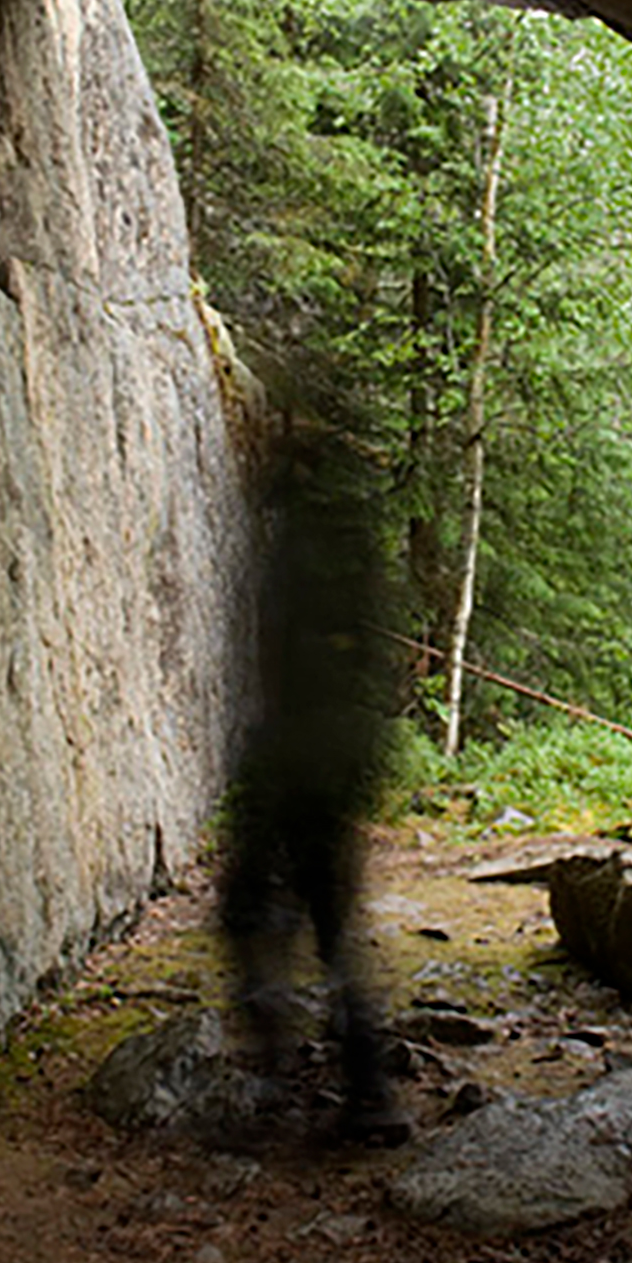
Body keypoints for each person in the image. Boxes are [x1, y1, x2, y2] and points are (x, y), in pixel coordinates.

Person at [220, 415, 409, 1144]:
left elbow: (284, 667)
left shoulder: (297, 549)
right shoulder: (350, 548)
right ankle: (366, 1092)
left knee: (248, 912)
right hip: (340, 760)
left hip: (300, 759)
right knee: (331, 927)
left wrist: (271, 757)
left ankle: (279, 1089)